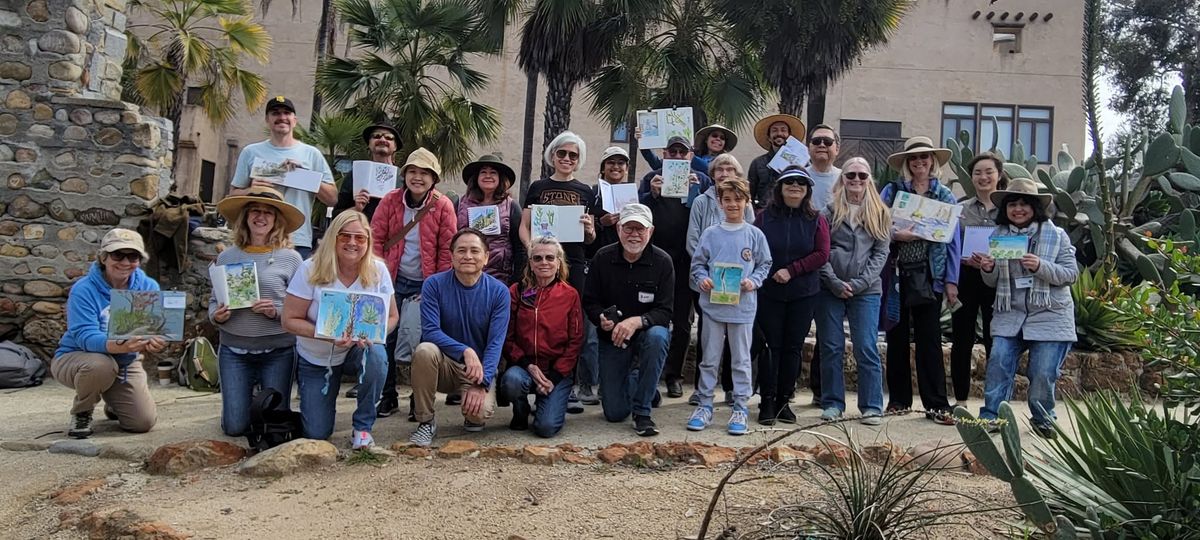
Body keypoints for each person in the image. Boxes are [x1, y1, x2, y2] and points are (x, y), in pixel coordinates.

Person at [282, 211, 399, 449]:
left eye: (360, 237)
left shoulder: (377, 270)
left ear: (368, 241)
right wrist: (326, 334)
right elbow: (289, 320)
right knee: (316, 432)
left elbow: (393, 316)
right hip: (317, 356)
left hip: (357, 351)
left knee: (377, 354)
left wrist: (376, 334)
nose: (352, 243)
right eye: (345, 236)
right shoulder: (310, 269)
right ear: (333, 237)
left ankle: (363, 428)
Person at [978, 178, 1078, 439]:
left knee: (1042, 372)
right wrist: (987, 269)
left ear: (1035, 207)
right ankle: (992, 416)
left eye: (1024, 204)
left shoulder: (1057, 235)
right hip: (1010, 312)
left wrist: (1040, 266)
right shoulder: (998, 236)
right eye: (1012, 204)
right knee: (998, 361)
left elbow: (1071, 274)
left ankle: (1043, 419)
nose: (1018, 209)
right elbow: (993, 281)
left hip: (1050, 314)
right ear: (1006, 209)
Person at [210, 187, 305, 436]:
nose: (260, 217)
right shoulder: (227, 257)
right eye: (255, 211)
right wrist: (216, 315)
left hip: (278, 350)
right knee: (235, 428)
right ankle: (243, 403)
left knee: (274, 425)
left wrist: (277, 310)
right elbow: (213, 301)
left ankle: (254, 403)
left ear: (276, 220)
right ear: (245, 216)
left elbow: (304, 306)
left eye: (268, 213)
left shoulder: (291, 259)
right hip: (234, 350)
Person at [879, 136, 961, 425]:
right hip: (898, 272)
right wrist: (894, 235)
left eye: (924, 158)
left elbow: (953, 242)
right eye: (914, 159)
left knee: (930, 340)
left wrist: (951, 280)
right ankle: (899, 400)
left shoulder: (945, 197)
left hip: (930, 275)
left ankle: (936, 404)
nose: (919, 163)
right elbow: (877, 224)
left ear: (932, 162)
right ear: (907, 164)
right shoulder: (892, 191)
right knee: (896, 336)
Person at [370, 147, 457, 417]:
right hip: (392, 280)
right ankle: (387, 396)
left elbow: (447, 250)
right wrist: (381, 278)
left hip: (425, 284)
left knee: (421, 343)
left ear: (434, 179)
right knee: (385, 339)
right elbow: (375, 238)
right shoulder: (390, 200)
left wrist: (433, 288)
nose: (417, 178)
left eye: (424, 173)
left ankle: (417, 400)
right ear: (404, 174)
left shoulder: (443, 205)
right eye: (412, 172)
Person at [53, 229, 161, 439]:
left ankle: (115, 403)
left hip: (126, 361)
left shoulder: (148, 287)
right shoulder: (83, 289)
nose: (125, 262)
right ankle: (82, 411)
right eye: (117, 255)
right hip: (76, 357)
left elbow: (152, 328)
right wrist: (118, 346)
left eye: (133, 256)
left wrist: (155, 342)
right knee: (101, 365)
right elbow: (84, 336)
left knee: (143, 422)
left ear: (140, 260)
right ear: (103, 257)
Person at [408, 229, 511, 446]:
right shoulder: (434, 284)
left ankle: (471, 407)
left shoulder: (499, 292)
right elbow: (430, 331)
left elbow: (496, 342)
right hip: (444, 364)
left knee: (477, 417)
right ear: (451, 256)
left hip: (478, 369)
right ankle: (425, 421)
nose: (468, 256)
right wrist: (466, 351)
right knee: (425, 350)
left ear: (486, 257)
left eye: (475, 251)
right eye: (461, 250)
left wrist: (482, 383)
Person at [687, 178, 771, 435]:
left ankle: (740, 406)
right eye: (727, 200)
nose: (733, 204)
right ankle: (704, 404)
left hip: (742, 309)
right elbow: (698, 264)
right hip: (713, 308)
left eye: (738, 199)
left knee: (741, 359)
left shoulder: (754, 234)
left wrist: (752, 281)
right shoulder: (711, 233)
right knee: (709, 359)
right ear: (720, 203)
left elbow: (764, 264)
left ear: (746, 201)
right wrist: (703, 280)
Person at [521, 131, 597, 408]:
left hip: (573, 263)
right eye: (562, 153)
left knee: (571, 325)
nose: (566, 158)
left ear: (578, 161)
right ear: (552, 155)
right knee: (537, 322)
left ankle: (569, 385)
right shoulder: (537, 187)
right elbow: (524, 226)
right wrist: (533, 251)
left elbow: (589, 239)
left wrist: (590, 230)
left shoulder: (586, 191)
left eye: (572, 155)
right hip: (541, 262)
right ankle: (534, 381)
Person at [583, 204, 673, 436]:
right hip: (613, 338)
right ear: (618, 228)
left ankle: (643, 412)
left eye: (640, 229)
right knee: (614, 413)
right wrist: (600, 317)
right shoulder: (602, 258)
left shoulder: (663, 262)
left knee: (658, 336)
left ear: (650, 232)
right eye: (629, 228)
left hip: (646, 332)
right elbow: (590, 301)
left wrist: (636, 322)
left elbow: (665, 311)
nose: (634, 234)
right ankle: (644, 383)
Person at [816, 158, 891, 425]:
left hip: (867, 290)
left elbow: (881, 253)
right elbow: (821, 253)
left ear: (869, 179)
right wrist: (834, 281)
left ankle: (871, 405)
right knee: (831, 346)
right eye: (851, 175)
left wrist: (859, 283)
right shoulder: (827, 212)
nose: (856, 180)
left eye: (861, 175)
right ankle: (833, 403)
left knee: (866, 347)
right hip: (829, 288)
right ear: (843, 178)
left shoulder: (880, 212)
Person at [754, 167, 830, 425]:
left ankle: (784, 401)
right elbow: (753, 247)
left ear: (808, 189)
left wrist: (792, 270)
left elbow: (821, 254)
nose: (795, 186)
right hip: (769, 292)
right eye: (789, 182)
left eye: (801, 183)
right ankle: (767, 400)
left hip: (803, 293)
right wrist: (771, 272)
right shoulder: (764, 218)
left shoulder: (816, 219)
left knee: (792, 349)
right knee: (770, 347)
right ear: (780, 186)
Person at [640, 138, 709, 398]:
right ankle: (647, 375)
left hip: (687, 262)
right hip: (655, 261)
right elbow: (636, 212)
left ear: (691, 155)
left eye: (683, 151)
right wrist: (652, 195)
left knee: (682, 322)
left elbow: (711, 213)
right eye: (673, 151)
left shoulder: (702, 180)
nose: (678, 156)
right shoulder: (651, 178)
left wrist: (699, 195)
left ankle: (674, 376)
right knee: (651, 317)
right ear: (664, 153)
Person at [686, 154, 755, 405]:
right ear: (712, 173)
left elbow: (752, 246)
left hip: (738, 286)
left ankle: (731, 388)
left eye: (730, 169)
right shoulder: (701, 202)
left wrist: (745, 277)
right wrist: (709, 273)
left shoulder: (745, 205)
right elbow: (693, 240)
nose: (724, 173)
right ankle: (702, 390)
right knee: (709, 337)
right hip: (708, 283)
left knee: (736, 343)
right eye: (720, 169)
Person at [229, 96, 336, 258]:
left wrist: (306, 177)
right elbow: (232, 195)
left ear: (294, 120)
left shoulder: (312, 154)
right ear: (267, 119)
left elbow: (332, 199)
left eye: (287, 113)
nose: (282, 117)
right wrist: (251, 190)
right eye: (275, 113)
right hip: (256, 237)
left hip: (297, 240)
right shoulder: (250, 152)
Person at [500, 237, 582, 437]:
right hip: (524, 366)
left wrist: (553, 377)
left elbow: (575, 341)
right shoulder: (516, 292)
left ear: (558, 262)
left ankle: (546, 400)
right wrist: (528, 365)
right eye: (537, 258)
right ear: (530, 263)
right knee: (511, 382)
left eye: (549, 257)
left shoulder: (570, 295)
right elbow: (507, 337)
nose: (544, 262)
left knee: (545, 429)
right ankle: (520, 410)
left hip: (556, 370)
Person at [951, 153, 1008, 407]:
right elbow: (951, 245)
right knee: (961, 339)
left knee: (994, 340)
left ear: (999, 175)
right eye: (977, 173)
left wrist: (994, 260)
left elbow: (1017, 242)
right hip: (966, 278)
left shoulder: (1009, 209)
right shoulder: (961, 209)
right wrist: (963, 261)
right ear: (971, 177)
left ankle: (994, 404)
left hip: (998, 280)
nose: (983, 177)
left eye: (989, 172)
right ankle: (960, 401)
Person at [456, 154, 525, 284]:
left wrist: (517, 279)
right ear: (476, 177)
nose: (488, 176)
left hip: (500, 278)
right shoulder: (459, 204)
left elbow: (519, 247)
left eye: (493, 172)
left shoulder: (511, 206)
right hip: (464, 275)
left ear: (500, 178)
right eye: (483, 172)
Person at [334, 122, 401, 220]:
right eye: (376, 136)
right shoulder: (356, 174)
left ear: (395, 146)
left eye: (389, 137)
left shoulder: (403, 177)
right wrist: (356, 209)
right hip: (362, 232)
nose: (382, 139)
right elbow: (336, 214)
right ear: (369, 144)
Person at [748, 114, 806, 210]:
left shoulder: (801, 163)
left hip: (793, 212)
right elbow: (750, 195)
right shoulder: (757, 163)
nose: (779, 133)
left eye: (783, 130)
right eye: (774, 130)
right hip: (765, 214)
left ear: (789, 136)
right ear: (769, 137)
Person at [806, 124, 843, 213]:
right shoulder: (798, 177)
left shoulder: (846, 178)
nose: (822, 145)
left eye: (827, 141)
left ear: (837, 149)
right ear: (808, 148)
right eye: (816, 141)